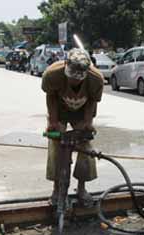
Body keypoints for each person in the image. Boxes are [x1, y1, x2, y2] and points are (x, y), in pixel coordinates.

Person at [42, 48, 104, 206]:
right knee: (56, 146)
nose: (74, 82)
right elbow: (51, 97)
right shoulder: (52, 74)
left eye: (78, 80)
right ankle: (57, 190)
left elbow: (92, 101)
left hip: (82, 113)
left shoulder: (95, 79)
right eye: (71, 78)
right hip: (60, 111)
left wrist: (88, 123)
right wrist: (53, 122)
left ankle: (82, 189)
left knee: (86, 147)